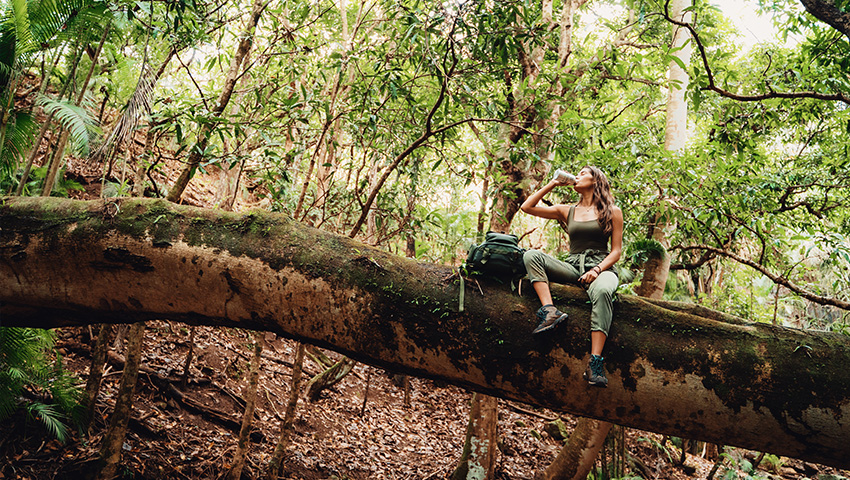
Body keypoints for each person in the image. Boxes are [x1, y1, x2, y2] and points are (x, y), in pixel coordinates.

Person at [520, 165, 624, 387]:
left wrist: (597, 270)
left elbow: (616, 252)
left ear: (596, 180)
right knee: (531, 255)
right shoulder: (567, 210)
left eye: (583, 173)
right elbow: (526, 207)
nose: (577, 176)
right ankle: (550, 311)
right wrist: (553, 183)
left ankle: (595, 362)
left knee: (603, 291)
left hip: (601, 268)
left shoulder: (612, 211)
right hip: (573, 266)